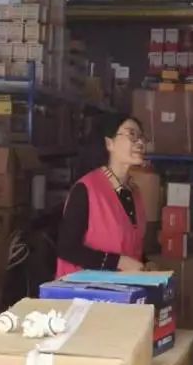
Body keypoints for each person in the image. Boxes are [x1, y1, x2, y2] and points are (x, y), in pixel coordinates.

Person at [56, 113, 148, 276]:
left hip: (123, 287)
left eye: (141, 137)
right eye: (132, 135)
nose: (140, 142)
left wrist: (146, 263)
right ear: (109, 143)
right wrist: (117, 262)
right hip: (84, 289)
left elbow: (131, 244)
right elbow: (67, 248)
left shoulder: (134, 192)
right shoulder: (86, 189)